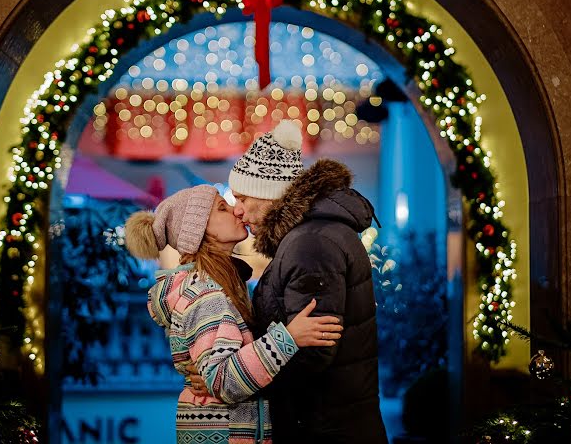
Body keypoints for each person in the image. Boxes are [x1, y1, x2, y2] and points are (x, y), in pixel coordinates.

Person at [125, 184, 344, 444]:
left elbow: (217, 372)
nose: (236, 211)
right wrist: (289, 338)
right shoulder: (206, 295)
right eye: (222, 208)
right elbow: (223, 380)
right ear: (200, 231)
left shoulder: (217, 285)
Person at [228, 119, 389, 443]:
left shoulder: (309, 243)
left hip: (321, 427)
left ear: (270, 193)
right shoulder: (311, 236)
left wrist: (239, 380)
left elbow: (313, 352)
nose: (238, 211)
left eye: (244, 198)